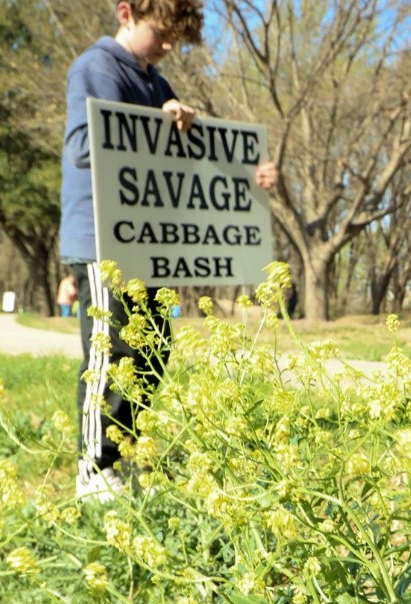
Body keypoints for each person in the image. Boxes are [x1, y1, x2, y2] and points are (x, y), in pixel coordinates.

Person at [59, 0, 278, 500]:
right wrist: (155, 121)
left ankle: (125, 456)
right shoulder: (96, 66)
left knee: (152, 350)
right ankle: (94, 470)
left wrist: (252, 177)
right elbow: (83, 146)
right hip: (100, 239)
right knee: (112, 352)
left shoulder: (156, 80)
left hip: (147, 239)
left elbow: (190, 161)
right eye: (162, 33)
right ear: (126, 13)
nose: (169, 46)